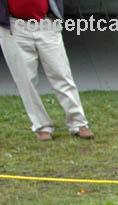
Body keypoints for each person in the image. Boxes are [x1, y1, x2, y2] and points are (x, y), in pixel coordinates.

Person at [0, 0, 93, 141]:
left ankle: (79, 123)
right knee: (25, 81)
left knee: (62, 74)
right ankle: (41, 127)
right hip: (13, 27)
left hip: (46, 22)